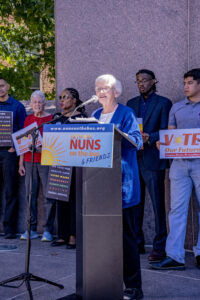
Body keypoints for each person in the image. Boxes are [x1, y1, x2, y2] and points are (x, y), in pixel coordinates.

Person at [93, 74, 143, 300]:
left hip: (123, 186)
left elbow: (137, 141)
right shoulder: (93, 115)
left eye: (106, 88)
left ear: (116, 92)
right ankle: (105, 281)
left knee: (126, 240)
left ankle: (133, 287)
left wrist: (115, 134)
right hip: (97, 187)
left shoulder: (126, 113)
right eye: (98, 88)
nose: (101, 91)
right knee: (102, 238)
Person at [151, 68, 200, 270]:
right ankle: (175, 256)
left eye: (190, 82)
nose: (185, 86)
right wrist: (163, 144)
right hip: (179, 164)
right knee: (176, 210)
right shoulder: (177, 108)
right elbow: (171, 135)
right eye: (184, 83)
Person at [127, 69, 172, 262]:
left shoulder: (164, 103)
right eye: (138, 81)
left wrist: (149, 138)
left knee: (157, 206)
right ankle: (137, 243)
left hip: (153, 159)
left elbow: (166, 131)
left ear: (154, 81)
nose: (141, 84)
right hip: (134, 159)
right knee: (135, 203)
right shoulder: (131, 104)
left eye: (144, 80)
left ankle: (159, 247)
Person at [51, 88, 86, 249]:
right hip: (59, 164)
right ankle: (62, 235)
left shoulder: (83, 118)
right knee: (60, 199)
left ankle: (74, 235)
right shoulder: (56, 118)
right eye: (61, 97)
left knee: (74, 200)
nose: (62, 100)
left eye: (66, 97)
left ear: (74, 100)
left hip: (76, 165)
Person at [19, 90, 55, 241]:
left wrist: (43, 149)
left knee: (48, 195)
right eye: (34, 102)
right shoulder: (28, 119)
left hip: (46, 160)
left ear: (44, 103)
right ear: (31, 104)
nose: (37, 105)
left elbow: (55, 142)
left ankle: (47, 230)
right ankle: (31, 229)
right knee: (30, 195)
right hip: (28, 160)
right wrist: (21, 163)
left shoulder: (51, 119)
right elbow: (22, 142)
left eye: (40, 102)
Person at [0, 76, 26, 239]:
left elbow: (24, 132)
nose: (0, 89)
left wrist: (14, 148)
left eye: (2, 86)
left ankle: (9, 229)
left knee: (10, 191)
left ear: (8, 87)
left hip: (9, 153)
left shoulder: (17, 106)